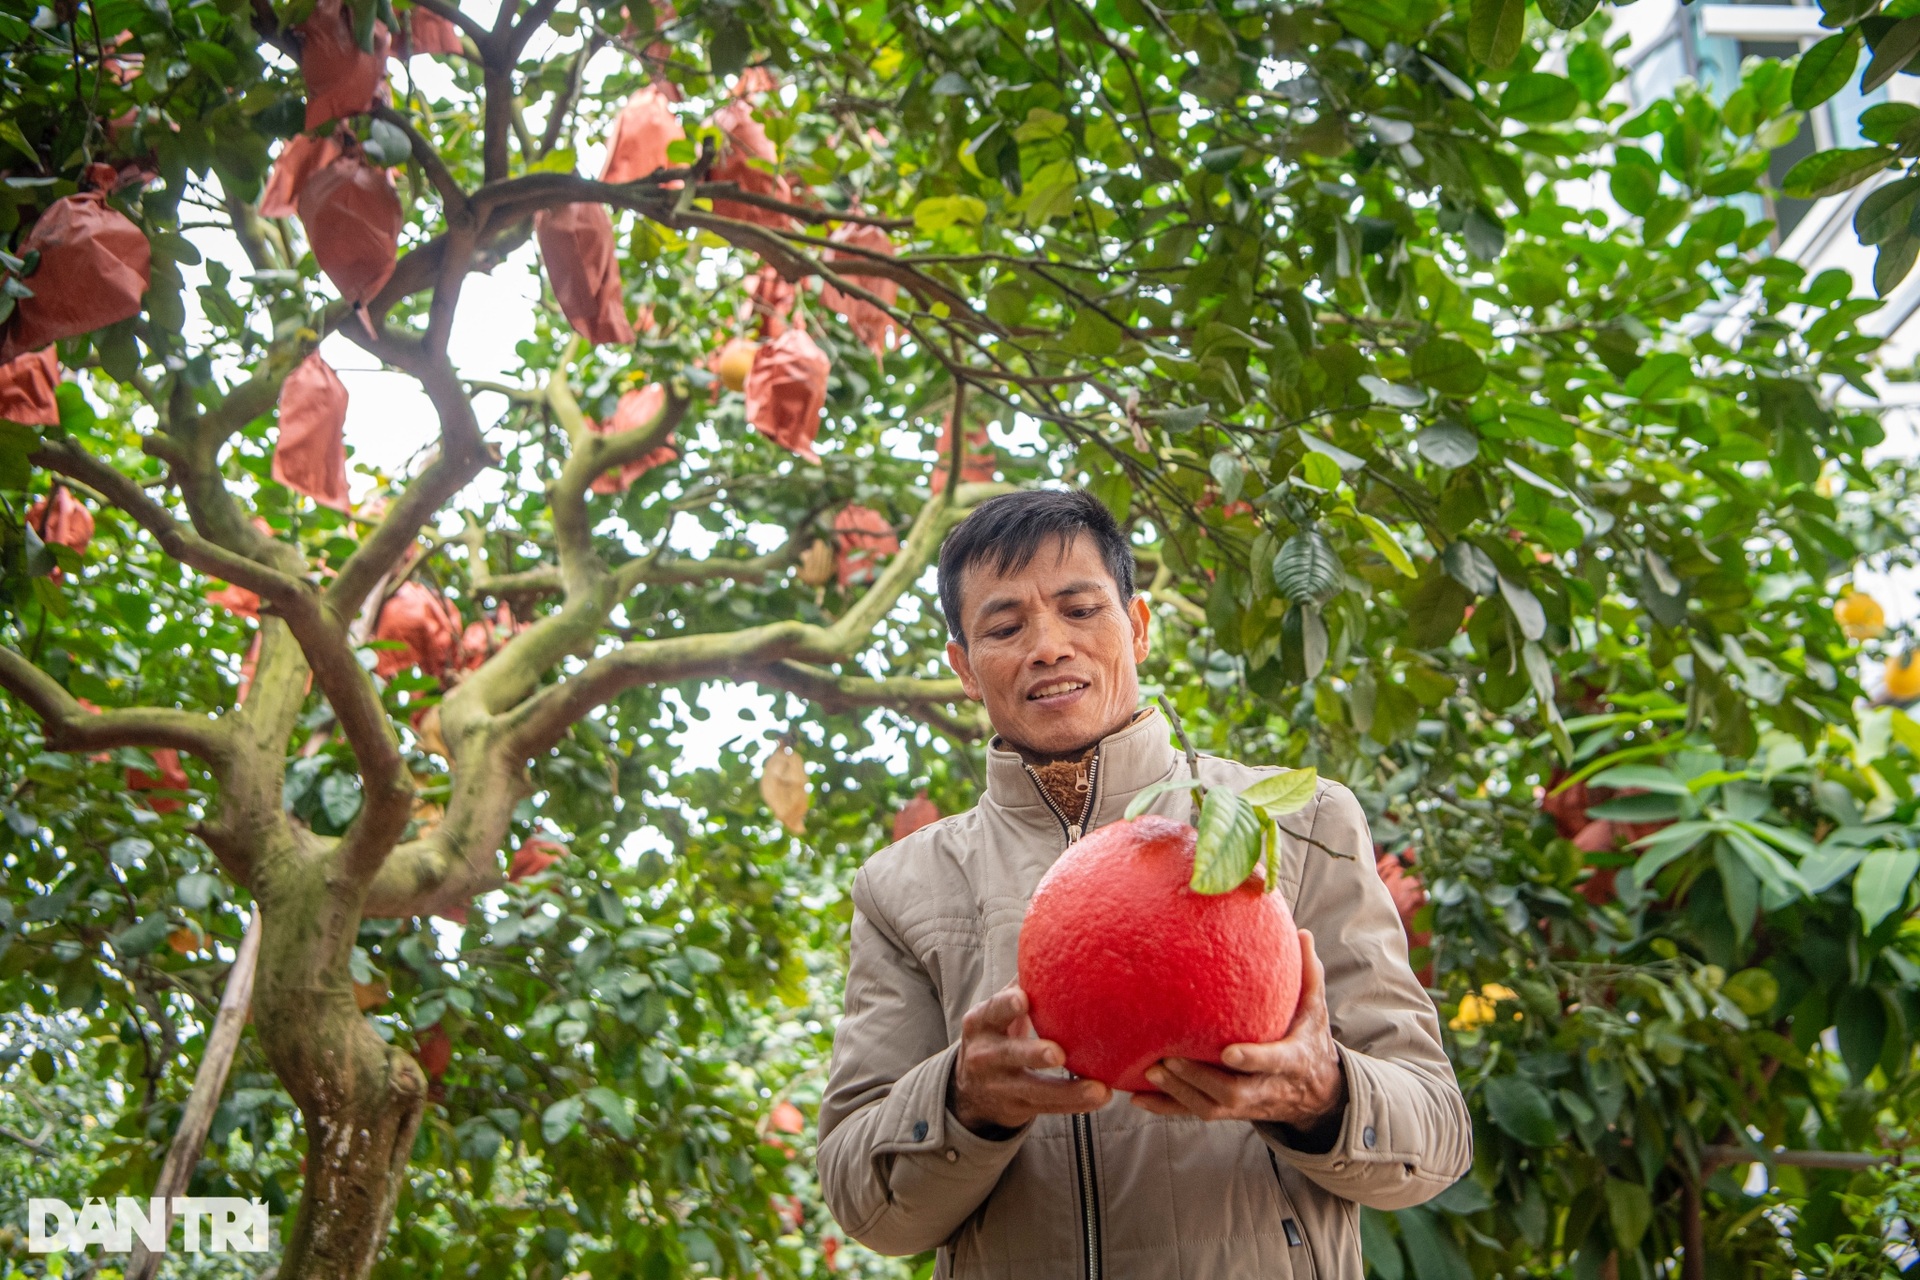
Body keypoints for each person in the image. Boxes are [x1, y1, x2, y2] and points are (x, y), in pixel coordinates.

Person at [816, 488, 1471, 1278]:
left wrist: (1320, 1093)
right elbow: (867, 1205)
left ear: (1140, 625)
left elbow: (1435, 1137)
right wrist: (963, 1098)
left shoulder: (1302, 824)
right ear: (963, 666)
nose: (1049, 645)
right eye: (1005, 626)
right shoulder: (903, 886)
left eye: (1080, 609)